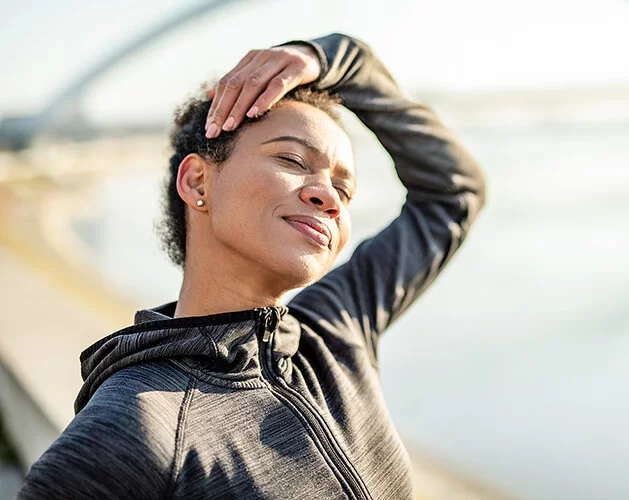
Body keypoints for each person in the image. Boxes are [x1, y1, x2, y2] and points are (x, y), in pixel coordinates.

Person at [18, 32, 486, 499]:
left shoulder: (338, 331)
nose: (327, 197)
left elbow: (453, 193)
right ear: (198, 180)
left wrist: (335, 60)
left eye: (344, 190)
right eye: (292, 159)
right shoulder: (138, 422)